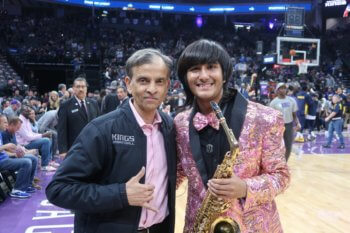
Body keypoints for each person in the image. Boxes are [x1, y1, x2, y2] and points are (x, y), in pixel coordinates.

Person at [46, 48, 176, 233]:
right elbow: (59, 189)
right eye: (143, 80)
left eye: (159, 81)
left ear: (167, 85)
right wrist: (120, 194)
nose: (152, 89)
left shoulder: (170, 128)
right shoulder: (101, 129)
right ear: (128, 84)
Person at [175, 39, 290, 233]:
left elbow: (281, 176)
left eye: (211, 67)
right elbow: (177, 172)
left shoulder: (266, 118)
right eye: (195, 69)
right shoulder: (180, 123)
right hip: (199, 226)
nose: (203, 76)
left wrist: (246, 187)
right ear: (186, 77)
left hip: (253, 226)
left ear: (225, 74)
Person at [57, 76, 100, 158]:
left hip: (93, 146)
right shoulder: (65, 105)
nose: (81, 89)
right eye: (78, 87)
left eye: (83, 87)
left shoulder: (94, 103)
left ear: (86, 88)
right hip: (74, 147)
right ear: (73, 88)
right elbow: (62, 129)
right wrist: (63, 150)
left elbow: (99, 125)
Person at [0, 115, 38, 198]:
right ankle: (17, 190)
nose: (7, 124)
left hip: (5, 158)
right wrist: (6, 146)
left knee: (33, 159)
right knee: (26, 162)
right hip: (2, 162)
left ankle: (26, 185)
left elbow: (4, 153)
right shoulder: (3, 133)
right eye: (5, 122)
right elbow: (4, 149)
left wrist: (15, 154)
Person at [15, 106, 55, 171]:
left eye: (29, 111)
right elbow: (28, 137)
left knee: (49, 139)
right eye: (27, 111)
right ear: (22, 112)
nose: (29, 113)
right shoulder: (20, 121)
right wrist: (42, 135)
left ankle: (48, 161)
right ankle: (44, 165)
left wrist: (42, 135)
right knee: (46, 141)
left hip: (29, 142)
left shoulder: (26, 119)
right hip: (24, 145)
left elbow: (31, 134)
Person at [270, 83, 300, 161]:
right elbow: (271, 117)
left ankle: (284, 163)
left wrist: (297, 123)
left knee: (288, 145)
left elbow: (294, 114)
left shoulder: (291, 100)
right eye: (281, 88)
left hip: (289, 125)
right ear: (277, 90)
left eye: (284, 88)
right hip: (278, 126)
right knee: (276, 146)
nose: (284, 89)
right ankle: (276, 162)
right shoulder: (273, 103)